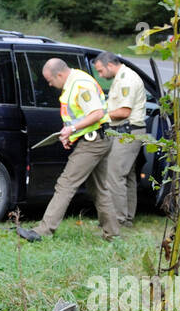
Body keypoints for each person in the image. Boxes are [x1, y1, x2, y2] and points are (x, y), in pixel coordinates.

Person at [17, 58, 120, 242]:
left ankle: (43, 231)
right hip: (96, 138)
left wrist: (71, 130)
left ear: (60, 74)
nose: (50, 84)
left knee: (66, 184)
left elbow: (96, 114)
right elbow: (79, 116)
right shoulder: (74, 82)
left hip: (93, 141)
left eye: (50, 80)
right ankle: (113, 235)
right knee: (99, 189)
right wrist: (70, 135)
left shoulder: (81, 85)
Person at [93, 52, 148, 226]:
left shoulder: (127, 79)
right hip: (127, 132)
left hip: (127, 132)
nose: (100, 75)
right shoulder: (121, 77)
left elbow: (124, 112)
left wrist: (100, 116)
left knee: (114, 175)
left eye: (101, 71)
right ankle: (127, 218)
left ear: (110, 65)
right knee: (127, 176)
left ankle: (117, 220)